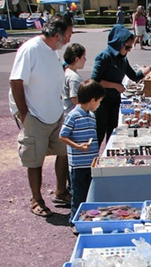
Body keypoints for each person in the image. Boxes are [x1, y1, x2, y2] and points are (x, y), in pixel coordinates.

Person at [9, 14, 73, 218]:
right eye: (68, 35)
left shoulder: (52, 51)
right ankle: (36, 199)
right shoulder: (31, 49)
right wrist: (25, 114)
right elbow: (16, 81)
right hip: (35, 115)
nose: (69, 40)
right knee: (34, 159)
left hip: (54, 113)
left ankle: (61, 192)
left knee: (63, 153)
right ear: (57, 35)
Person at [91, 24, 151, 146]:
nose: (129, 50)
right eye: (127, 47)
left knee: (112, 134)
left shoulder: (122, 59)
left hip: (114, 101)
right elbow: (94, 81)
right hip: (102, 103)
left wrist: (150, 68)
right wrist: (115, 86)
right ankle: (93, 161)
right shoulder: (104, 57)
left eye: (130, 48)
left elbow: (134, 76)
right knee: (99, 135)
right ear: (118, 43)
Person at [59, 79, 105, 233]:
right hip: (78, 165)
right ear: (92, 100)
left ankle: (87, 219)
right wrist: (78, 146)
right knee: (78, 196)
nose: (99, 104)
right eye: (98, 101)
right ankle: (75, 222)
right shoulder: (73, 115)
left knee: (89, 194)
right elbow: (63, 135)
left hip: (90, 163)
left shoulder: (91, 115)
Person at [63, 43, 86, 115]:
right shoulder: (74, 77)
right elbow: (75, 98)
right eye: (83, 57)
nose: (85, 60)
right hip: (73, 115)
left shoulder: (66, 72)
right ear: (76, 59)